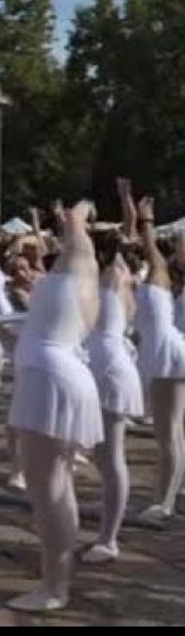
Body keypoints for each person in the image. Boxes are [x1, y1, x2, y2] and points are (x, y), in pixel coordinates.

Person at [4, 201, 102, 612]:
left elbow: (78, 221)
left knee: (50, 492)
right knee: (55, 490)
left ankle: (54, 587)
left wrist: (78, 212)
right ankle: (54, 582)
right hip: (54, 375)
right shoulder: (76, 273)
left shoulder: (79, 260)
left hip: (49, 381)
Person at [81, 229, 143, 563]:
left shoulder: (111, 274)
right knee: (104, 458)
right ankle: (108, 517)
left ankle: (109, 539)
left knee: (112, 456)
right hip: (104, 361)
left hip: (107, 367)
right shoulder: (117, 274)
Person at [133, 196, 185, 523]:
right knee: (174, 433)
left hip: (170, 353)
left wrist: (146, 222)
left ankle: (164, 503)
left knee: (169, 433)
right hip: (167, 351)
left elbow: (152, 250)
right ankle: (168, 496)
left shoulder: (162, 272)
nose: (178, 248)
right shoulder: (172, 281)